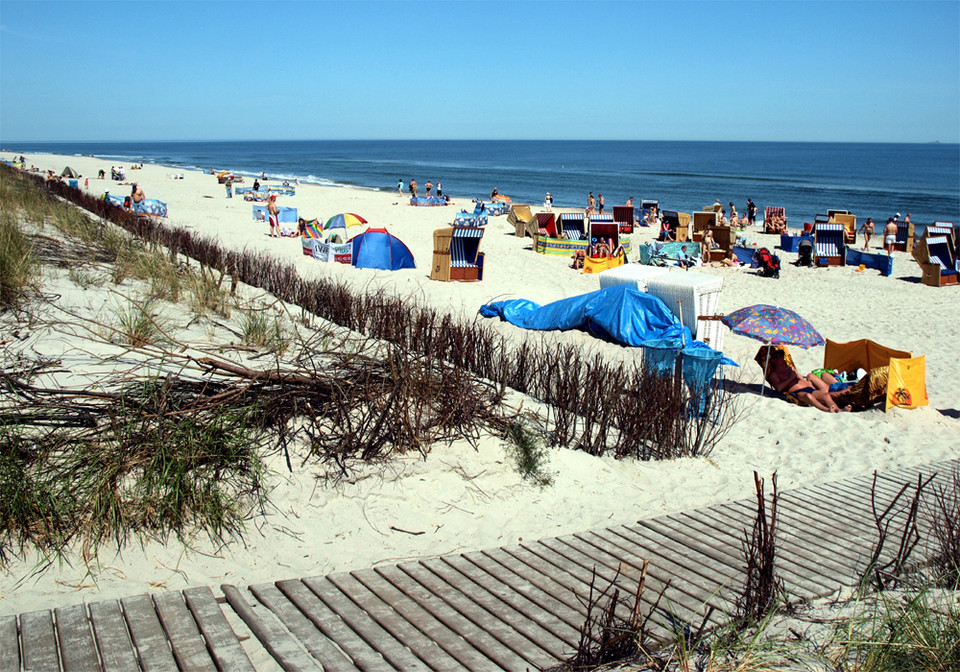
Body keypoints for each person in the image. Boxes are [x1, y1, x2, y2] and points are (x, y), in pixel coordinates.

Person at [765, 348, 851, 413]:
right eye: (779, 356)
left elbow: (801, 378)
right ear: (773, 360)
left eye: (782, 355)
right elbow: (779, 388)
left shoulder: (791, 369)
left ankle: (838, 410)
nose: (782, 357)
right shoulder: (774, 374)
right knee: (809, 397)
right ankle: (826, 409)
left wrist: (810, 385)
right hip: (797, 392)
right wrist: (791, 378)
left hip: (809, 388)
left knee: (826, 396)